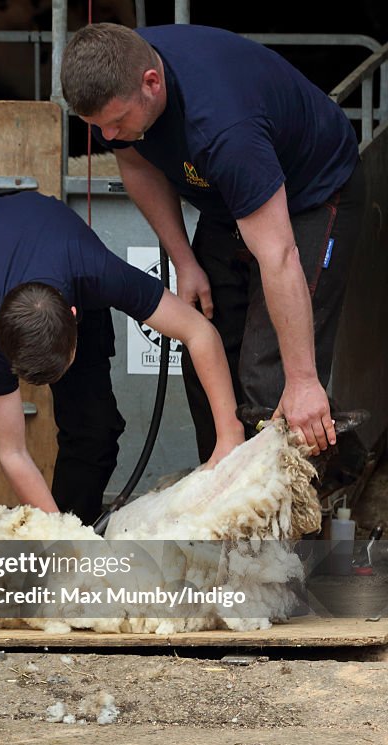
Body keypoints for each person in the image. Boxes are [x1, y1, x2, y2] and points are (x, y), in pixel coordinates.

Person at [0, 191, 244, 610]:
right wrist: (62, 537)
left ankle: (67, 559)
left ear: (75, 316)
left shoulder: (100, 273)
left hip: (60, 258)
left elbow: (200, 332)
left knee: (95, 425)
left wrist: (228, 436)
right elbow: (12, 450)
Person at [60, 22, 365, 464]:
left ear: (152, 82)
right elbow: (139, 166)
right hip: (230, 198)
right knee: (206, 343)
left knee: (272, 378)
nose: (107, 136)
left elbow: (278, 256)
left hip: (313, 194)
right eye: (95, 127)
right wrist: (186, 261)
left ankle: (292, 516)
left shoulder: (223, 126)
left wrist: (303, 380)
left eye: (116, 122)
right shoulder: (115, 78)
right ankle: (224, 491)